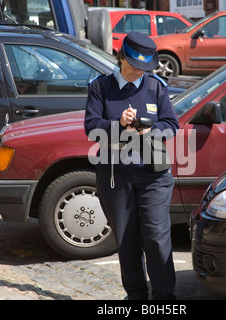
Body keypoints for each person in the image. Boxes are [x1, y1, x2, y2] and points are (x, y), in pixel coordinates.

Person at [84, 32, 179, 300]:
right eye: (134, 66)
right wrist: (118, 125)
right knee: (126, 241)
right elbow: (91, 129)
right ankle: (136, 296)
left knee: (157, 237)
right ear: (121, 58)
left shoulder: (156, 86)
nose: (138, 72)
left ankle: (164, 297)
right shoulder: (100, 87)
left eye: (144, 68)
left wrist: (149, 132)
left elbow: (172, 125)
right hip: (116, 176)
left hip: (154, 176)